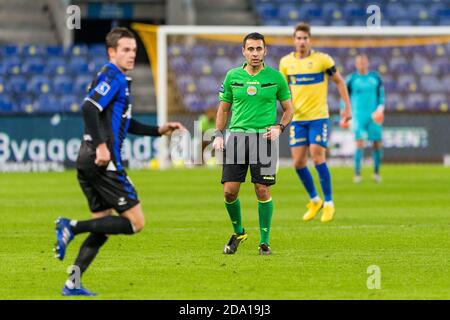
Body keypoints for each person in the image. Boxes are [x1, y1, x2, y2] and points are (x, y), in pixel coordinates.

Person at [53, 27, 185, 296]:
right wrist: (102, 146)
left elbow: (125, 122)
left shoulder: (118, 79)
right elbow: (89, 107)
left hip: (88, 161)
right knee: (136, 222)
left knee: (103, 226)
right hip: (103, 161)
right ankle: (72, 226)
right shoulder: (112, 76)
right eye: (125, 49)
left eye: (134, 50)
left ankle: (72, 283)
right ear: (111, 52)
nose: (131, 54)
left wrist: (158, 129)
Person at [213, 32, 294, 255]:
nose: (255, 53)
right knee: (229, 192)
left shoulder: (276, 77)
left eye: (259, 49)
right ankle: (239, 232)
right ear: (243, 51)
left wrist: (280, 127)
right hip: (237, 138)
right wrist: (218, 134)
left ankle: (264, 242)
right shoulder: (232, 76)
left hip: (264, 140)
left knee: (262, 190)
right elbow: (223, 108)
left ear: (265, 51)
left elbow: (289, 110)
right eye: (251, 49)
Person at [279, 22, 352, 223]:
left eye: (305, 38)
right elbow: (282, 91)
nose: (302, 42)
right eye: (298, 38)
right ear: (294, 41)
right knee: (298, 162)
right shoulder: (286, 63)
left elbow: (339, 81)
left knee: (317, 155)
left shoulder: (322, 60)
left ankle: (329, 203)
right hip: (298, 119)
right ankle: (315, 200)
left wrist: (347, 107)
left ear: (310, 40)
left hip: (319, 117)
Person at [340, 53, 385, 183]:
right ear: (356, 64)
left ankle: (376, 173)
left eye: (364, 62)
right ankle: (357, 174)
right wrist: (344, 110)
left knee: (377, 143)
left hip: (373, 116)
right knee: (359, 143)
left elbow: (381, 95)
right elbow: (345, 97)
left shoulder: (375, 78)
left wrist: (380, 109)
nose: (362, 64)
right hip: (358, 116)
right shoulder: (351, 79)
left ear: (368, 63)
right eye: (359, 62)